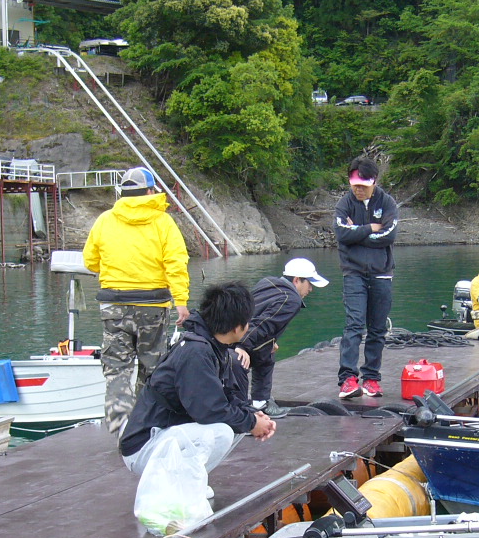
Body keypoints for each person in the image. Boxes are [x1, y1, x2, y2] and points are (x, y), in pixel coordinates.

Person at [119, 282, 276, 476]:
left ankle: (188, 481)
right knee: (222, 433)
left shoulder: (214, 347)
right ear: (237, 328)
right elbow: (210, 411)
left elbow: (226, 397)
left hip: (165, 435)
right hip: (143, 447)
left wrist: (253, 415)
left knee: (238, 423)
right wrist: (251, 423)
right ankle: (182, 485)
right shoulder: (196, 352)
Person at [83, 166, 190, 437]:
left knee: (117, 367)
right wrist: (181, 300)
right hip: (152, 306)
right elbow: (175, 262)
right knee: (152, 367)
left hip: (114, 305)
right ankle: (146, 425)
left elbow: (90, 261)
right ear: (151, 191)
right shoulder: (163, 222)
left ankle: (120, 422)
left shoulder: (105, 220)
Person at [334, 155, 399, 399]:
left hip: (381, 273)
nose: (358, 190)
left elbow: (389, 235)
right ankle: (348, 379)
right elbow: (342, 234)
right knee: (354, 324)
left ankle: (371, 378)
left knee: (377, 328)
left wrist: (357, 233)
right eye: (355, 185)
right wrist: (371, 228)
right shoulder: (344, 204)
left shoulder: (387, 202)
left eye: (363, 185)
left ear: (374, 182)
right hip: (353, 273)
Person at [234, 258, 330, 419]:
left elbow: (256, 313)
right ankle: (256, 405)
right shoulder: (292, 299)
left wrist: (271, 341)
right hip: (240, 339)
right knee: (260, 356)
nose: (311, 289)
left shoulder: (268, 282)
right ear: (297, 280)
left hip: (232, 331)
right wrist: (241, 346)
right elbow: (262, 324)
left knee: (267, 352)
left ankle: (259, 402)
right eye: (309, 283)